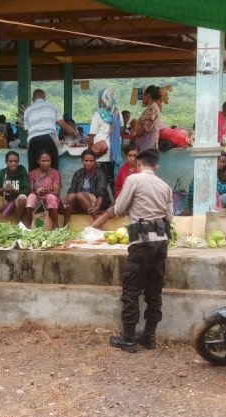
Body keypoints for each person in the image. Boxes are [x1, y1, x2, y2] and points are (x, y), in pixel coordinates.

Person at [92, 148, 173, 353]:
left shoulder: (133, 180)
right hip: (161, 242)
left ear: (138, 163)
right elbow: (170, 217)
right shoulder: (165, 186)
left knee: (131, 291)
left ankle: (129, 338)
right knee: (154, 292)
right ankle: (149, 336)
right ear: (156, 166)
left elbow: (119, 208)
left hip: (141, 243)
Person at [23, 89, 79, 171]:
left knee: (33, 172)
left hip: (33, 140)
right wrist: (75, 133)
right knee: (53, 171)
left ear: (33, 99)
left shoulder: (27, 110)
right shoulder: (52, 106)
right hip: (49, 139)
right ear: (44, 98)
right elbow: (63, 125)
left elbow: (27, 131)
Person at [88, 88, 123, 198]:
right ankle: (113, 203)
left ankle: (101, 204)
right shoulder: (118, 114)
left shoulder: (98, 114)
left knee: (98, 180)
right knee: (111, 180)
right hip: (113, 152)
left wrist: (89, 151)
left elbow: (91, 136)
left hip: (100, 153)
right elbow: (120, 131)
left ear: (101, 100)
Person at [64, 149, 112, 225]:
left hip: (98, 202)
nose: (88, 163)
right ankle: (65, 224)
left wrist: (97, 208)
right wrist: (67, 200)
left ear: (95, 161)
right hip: (81, 202)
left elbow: (101, 193)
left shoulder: (100, 174)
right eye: (86, 161)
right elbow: (72, 190)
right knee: (71, 196)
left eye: (91, 161)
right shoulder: (78, 174)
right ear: (82, 161)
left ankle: (97, 221)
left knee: (80, 195)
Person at [0, 151, 30, 223]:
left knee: (22, 198)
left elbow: (27, 191)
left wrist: (14, 191)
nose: (13, 163)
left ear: (18, 162)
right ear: (6, 162)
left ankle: (18, 222)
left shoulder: (22, 172)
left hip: (16, 204)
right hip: (4, 203)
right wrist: (4, 189)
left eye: (16, 161)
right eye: (10, 161)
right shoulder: (1, 173)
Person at [25, 151, 62, 228]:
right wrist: (36, 192)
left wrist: (47, 192)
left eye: (48, 161)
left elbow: (57, 193)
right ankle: (28, 223)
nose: (46, 163)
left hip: (52, 200)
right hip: (37, 200)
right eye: (43, 161)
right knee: (31, 196)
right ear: (38, 161)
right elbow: (31, 191)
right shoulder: (32, 173)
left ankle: (55, 225)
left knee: (50, 197)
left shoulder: (55, 173)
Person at [133, 85, 162, 151]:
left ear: (148, 96)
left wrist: (135, 136)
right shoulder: (152, 108)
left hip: (147, 147)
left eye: (143, 95)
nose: (142, 98)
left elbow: (145, 127)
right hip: (146, 146)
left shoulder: (152, 108)